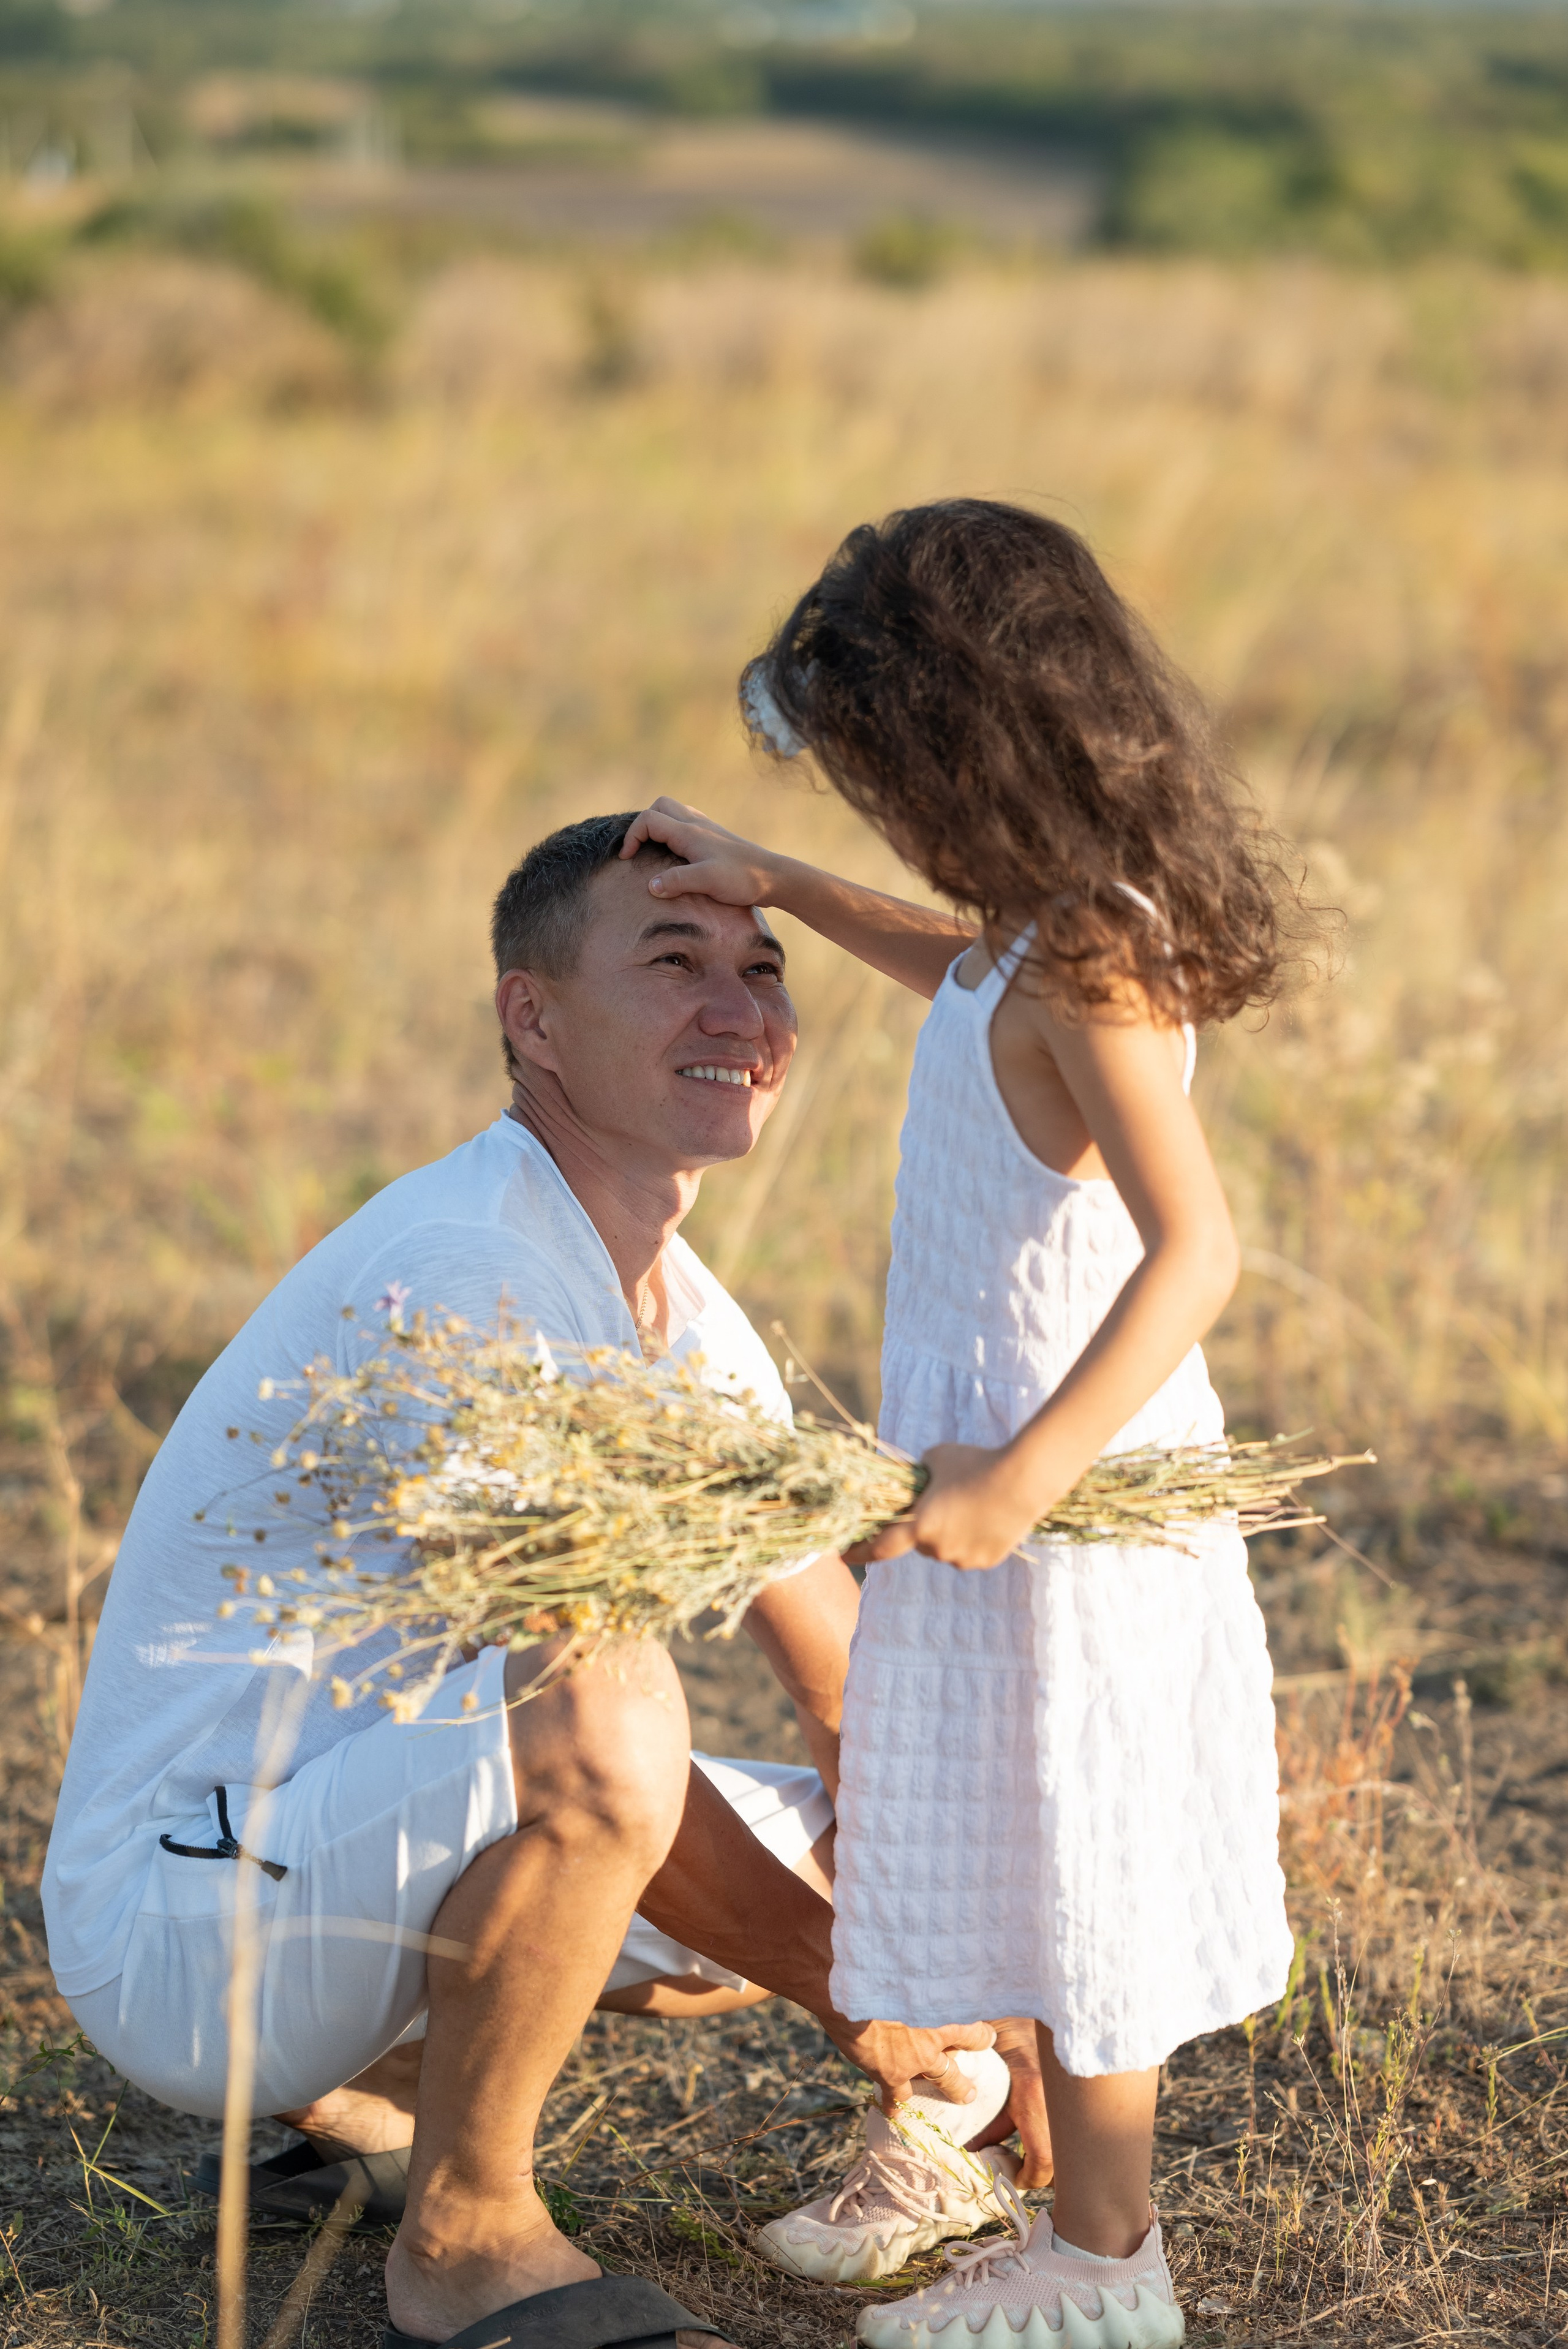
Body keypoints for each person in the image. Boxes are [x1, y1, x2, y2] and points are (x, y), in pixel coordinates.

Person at [40, 815, 1003, 2349]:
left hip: (336, 1859)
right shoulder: (472, 1270)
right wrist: (860, 1996)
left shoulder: (680, 1304)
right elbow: (583, 1737)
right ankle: (468, 2240)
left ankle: (367, 2098)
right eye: (673, 961)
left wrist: (974, 1958)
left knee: (885, 1845)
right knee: (609, 1708)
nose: (738, 1009)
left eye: (762, 969)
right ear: (531, 1018)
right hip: (185, 1928)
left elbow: (841, 1676)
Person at [621, 496, 1310, 2349]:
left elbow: (1197, 1247)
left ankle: (1106, 2264)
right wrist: (781, 881)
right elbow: (961, 975)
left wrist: (1021, 1477)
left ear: (966, 746)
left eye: (879, 778)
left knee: (1083, 1868)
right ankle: (1009, 2178)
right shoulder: (1032, 939)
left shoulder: (1096, 955)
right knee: (1020, 1838)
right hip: (998, 1482)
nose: (878, 813)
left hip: (1066, 1496)